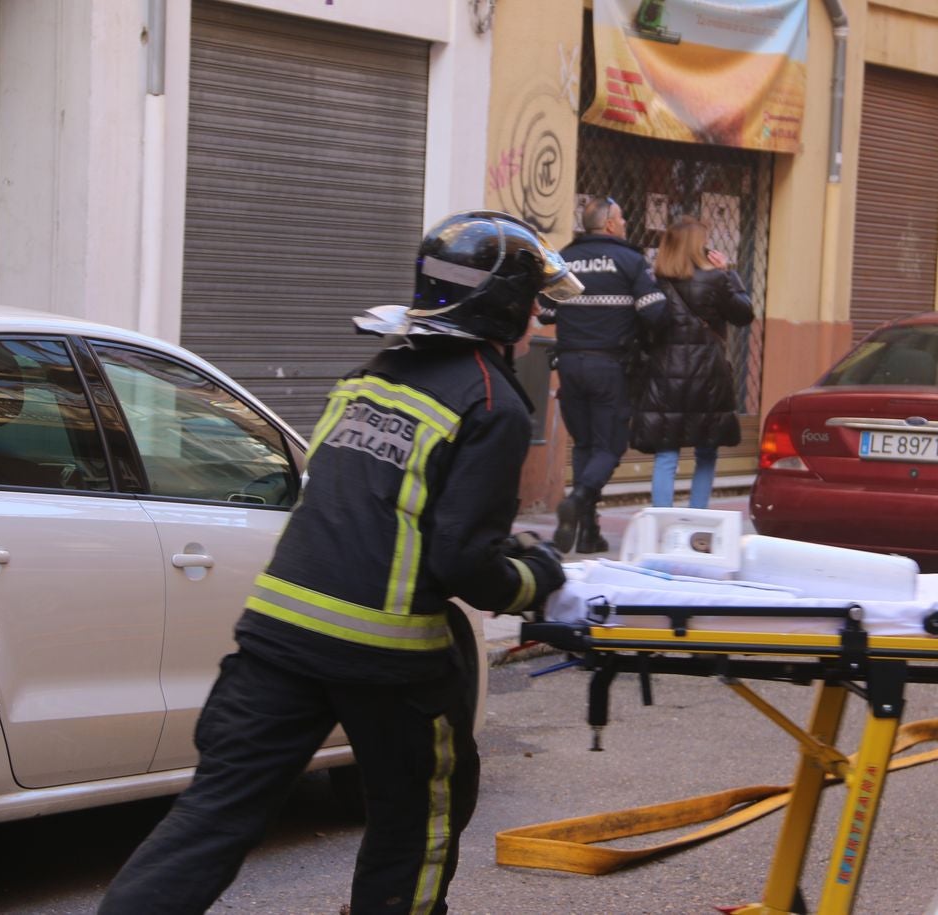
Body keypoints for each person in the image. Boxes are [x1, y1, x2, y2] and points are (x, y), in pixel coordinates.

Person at [98, 210, 581, 915]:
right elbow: (459, 561)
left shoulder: (376, 370)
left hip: (277, 638)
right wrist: (542, 581)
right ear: (505, 303)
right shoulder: (491, 399)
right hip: (388, 657)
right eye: (535, 300)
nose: (540, 317)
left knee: (211, 818)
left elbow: (381, 504)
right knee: (417, 825)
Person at [537, 195, 667, 553]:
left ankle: (588, 533)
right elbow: (655, 313)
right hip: (610, 367)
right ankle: (578, 499)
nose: (625, 224)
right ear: (610, 224)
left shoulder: (565, 258)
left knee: (585, 446)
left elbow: (545, 313)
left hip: (569, 365)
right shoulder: (629, 260)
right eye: (623, 218)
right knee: (609, 446)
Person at [631, 215, 753, 509]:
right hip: (708, 374)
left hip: (665, 373)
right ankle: (696, 517)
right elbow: (744, 314)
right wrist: (730, 274)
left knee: (666, 455)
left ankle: (661, 523)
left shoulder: (654, 280)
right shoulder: (716, 279)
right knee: (707, 451)